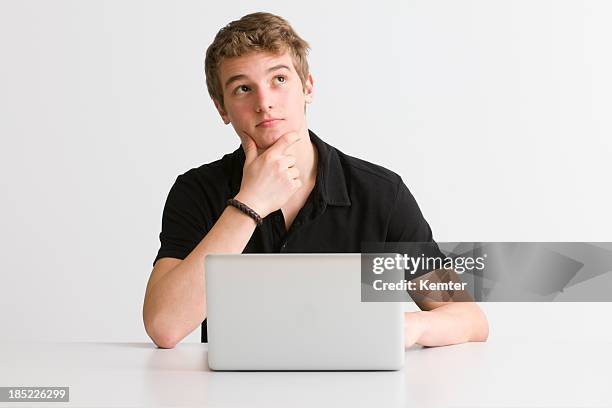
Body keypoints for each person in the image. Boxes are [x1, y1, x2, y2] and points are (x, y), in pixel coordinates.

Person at [143, 12, 489, 349]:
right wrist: (250, 203)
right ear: (222, 108)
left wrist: (409, 328)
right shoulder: (197, 191)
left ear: (307, 87)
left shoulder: (380, 194)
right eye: (243, 88)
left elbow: (468, 318)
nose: (264, 103)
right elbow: (165, 326)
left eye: (279, 79)